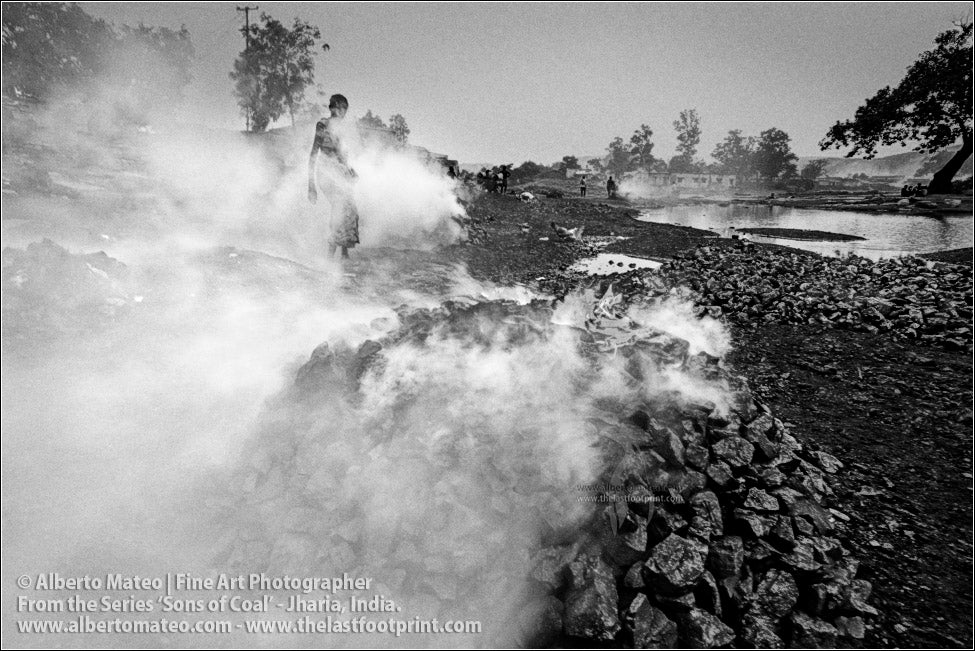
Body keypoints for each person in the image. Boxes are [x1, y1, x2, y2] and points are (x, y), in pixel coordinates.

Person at [308, 93, 359, 259]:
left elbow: (342, 156)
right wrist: (311, 186)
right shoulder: (323, 125)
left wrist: (349, 170)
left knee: (350, 207)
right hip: (325, 172)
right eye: (341, 108)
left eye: (345, 110)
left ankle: (344, 251)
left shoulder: (342, 129)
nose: (343, 113)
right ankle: (330, 255)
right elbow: (314, 154)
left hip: (339, 172)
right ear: (334, 107)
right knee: (339, 206)